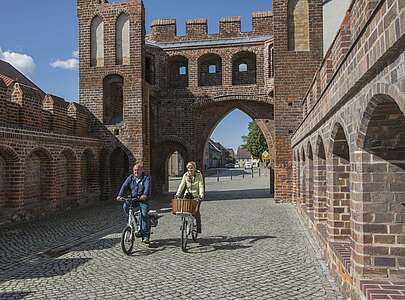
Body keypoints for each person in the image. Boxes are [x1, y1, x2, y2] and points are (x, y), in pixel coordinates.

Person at [117, 162, 152, 244]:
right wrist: (120, 195)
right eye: (135, 170)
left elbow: (147, 188)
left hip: (143, 200)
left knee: (144, 214)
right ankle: (133, 220)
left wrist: (145, 195)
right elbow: (124, 186)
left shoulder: (146, 178)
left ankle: (145, 236)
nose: (136, 171)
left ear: (142, 170)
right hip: (133, 199)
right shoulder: (131, 178)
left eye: (138, 170)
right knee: (125, 206)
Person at [175, 161, 205, 233]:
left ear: (195, 168)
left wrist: (201, 195)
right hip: (187, 194)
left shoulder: (198, 175)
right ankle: (184, 222)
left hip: (196, 195)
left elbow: (201, 185)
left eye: (192, 168)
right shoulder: (185, 175)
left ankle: (198, 227)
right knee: (183, 209)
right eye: (188, 168)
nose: (190, 169)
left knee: (196, 211)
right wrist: (178, 194)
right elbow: (182, 185)